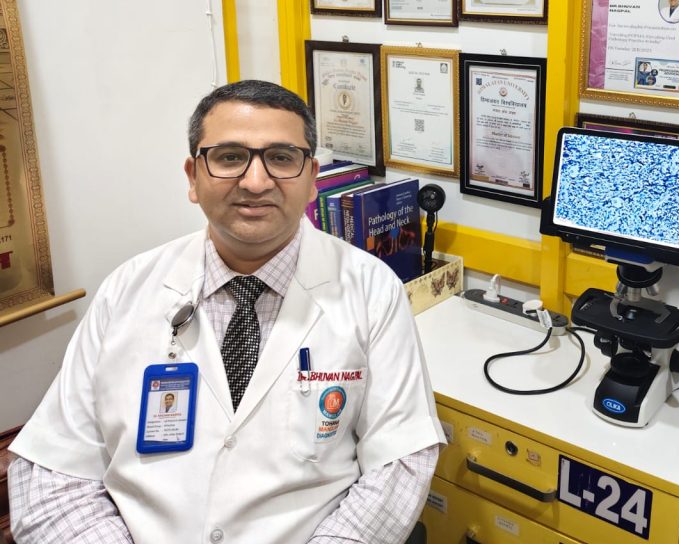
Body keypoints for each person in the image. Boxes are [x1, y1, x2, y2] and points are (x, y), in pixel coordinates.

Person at [9, 80, 445, 544]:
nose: (256, 182)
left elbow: (399, 461)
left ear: (312, 179)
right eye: (230, 157)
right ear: (192, 177)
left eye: (281, 157)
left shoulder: (371, 289)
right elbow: (54, 472)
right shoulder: (128, 289)